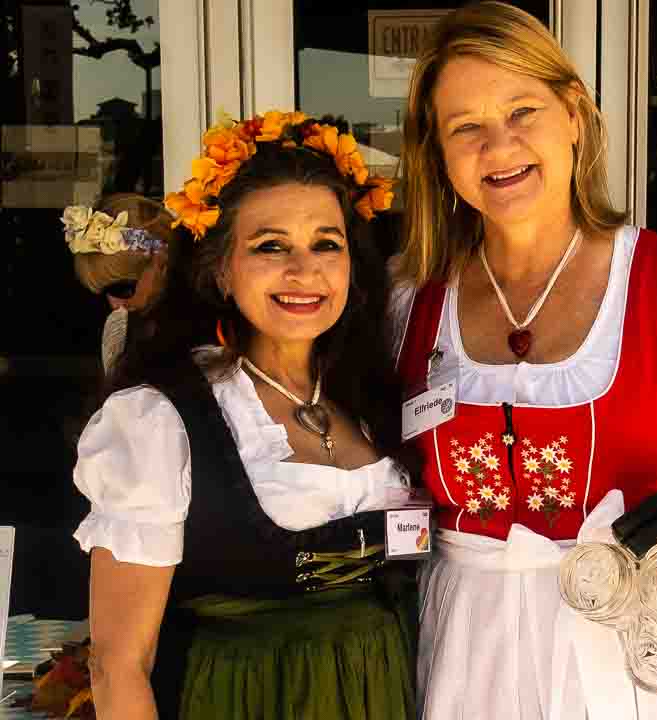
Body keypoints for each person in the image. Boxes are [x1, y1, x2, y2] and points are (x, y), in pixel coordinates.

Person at [393, 3, 657, 718]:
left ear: (573, 114)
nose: (499, 145)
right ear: (438, 152)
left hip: (633, 651)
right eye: (466, 127)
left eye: (522, 112)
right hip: (467, 652)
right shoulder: (408, 302)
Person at [73, 111, 415, 720]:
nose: (304, 271)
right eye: (270, 246)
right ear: (221, 269)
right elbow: (118, 663)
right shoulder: (161, 419)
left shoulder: (373, 394)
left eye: (326, 244)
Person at [65, 194, 176, 373]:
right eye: (106, 293)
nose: (117, 305)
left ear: (161, 261)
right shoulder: (130, 341)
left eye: (123, 289)